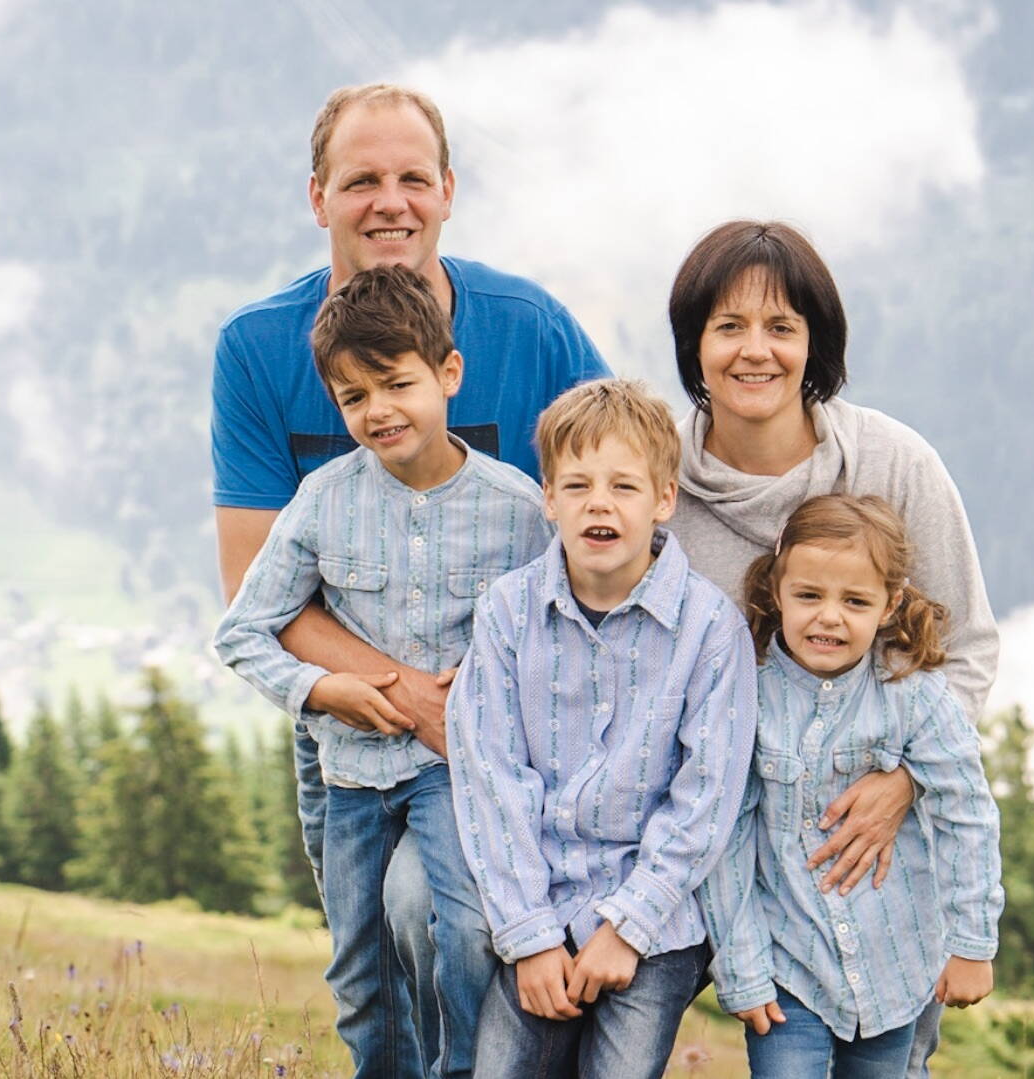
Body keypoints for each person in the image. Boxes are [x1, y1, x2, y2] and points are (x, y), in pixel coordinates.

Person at [210, 82, 610, 1075]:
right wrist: (411, 699)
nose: (389, 201)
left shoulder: (532, 328)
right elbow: (254, 589)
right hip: (354, 738)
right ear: (318, 199)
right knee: (373, 966)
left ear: (447, 193)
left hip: (516, 734)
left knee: (470, 932)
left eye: (411, 180)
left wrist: (490, 714)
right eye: (361, 182)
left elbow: (625, 493)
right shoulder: (259, 349)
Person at [662, 219, 1000, 1074]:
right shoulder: (657, 481)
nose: (755, 351)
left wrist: (903, 779)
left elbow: (966, 647)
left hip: (875, 885)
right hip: (712, 846)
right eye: (728, 326)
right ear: (693, 344)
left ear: (817, 344)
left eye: (782, 326)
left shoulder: (894, 463)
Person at [213, 265, 552, 1079]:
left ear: (449, 374)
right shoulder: (325, 500)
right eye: (354, 397)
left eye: (398, 383)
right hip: (351, 776)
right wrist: (323, 690)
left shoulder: (518, 510)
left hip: (454, 773)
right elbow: (243, 630)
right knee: (361, 975)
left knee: (460, 929)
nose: (379, 411)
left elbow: (559, 637)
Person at [447, 379, 758, 1079]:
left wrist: (627, 927)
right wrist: (528, 936)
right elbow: (491, 777)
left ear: (663, 500)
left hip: (655, 919)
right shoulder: (507, 612)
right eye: (579, 484)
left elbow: (707, 798)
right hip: (540, 900)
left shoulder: (710, 630)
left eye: (624, 486)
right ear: (549, 498)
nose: (600, 503)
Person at [700, 494, 1002, 1078]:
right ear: (776, 592)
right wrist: (740, 966)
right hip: (789, 969)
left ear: (889, 604)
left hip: (896, 967)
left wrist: (973, 944)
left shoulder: (914, 695)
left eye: (855, 601)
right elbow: (726, 838)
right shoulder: (747, 696)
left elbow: (968, 815)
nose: (829, 617)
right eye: (809, 595)